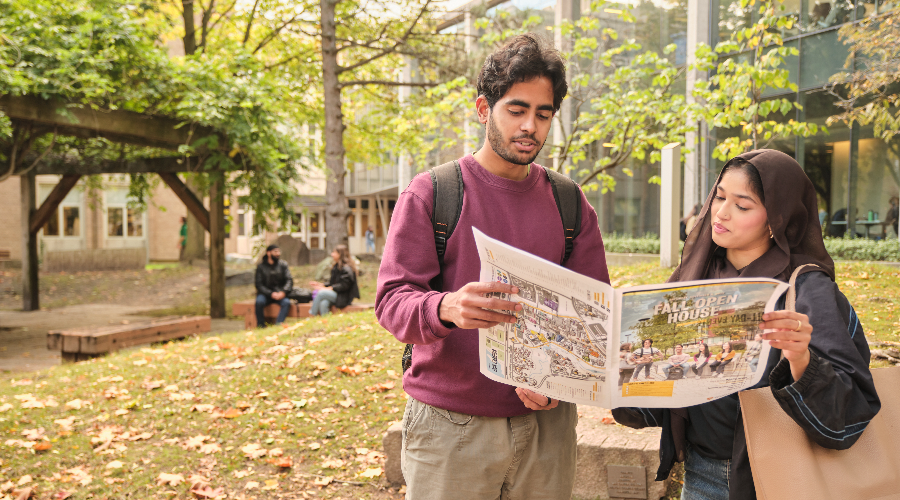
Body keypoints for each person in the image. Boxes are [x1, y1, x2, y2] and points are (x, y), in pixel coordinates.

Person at [375, 34, 610, 500]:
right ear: (484, 109)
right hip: (450, 427)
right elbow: (391, 302)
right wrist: (446, 307)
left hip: (547, 425)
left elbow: (594, 318)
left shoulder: (570, 203)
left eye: (543, 115)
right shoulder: (433, 193)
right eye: (516, 110)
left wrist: (558, 386)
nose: (530, 126)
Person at [612, 149, 880, 500]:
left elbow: (851, 408)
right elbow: (660, 396)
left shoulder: (808, 290)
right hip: (701, 473)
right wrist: (612, 369)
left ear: (777, 219)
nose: (720, 213)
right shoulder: (696, 279)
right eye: (719, 197)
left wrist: (800, 360)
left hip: (781, 478)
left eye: (742, 205)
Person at [309, 245, 360, 316]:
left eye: (334, 252)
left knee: (321, 293)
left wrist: (328, 289)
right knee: (324, 303)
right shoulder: (336, 267)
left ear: (340, 254)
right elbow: (333, 283)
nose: (332, 254)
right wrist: (321, 285)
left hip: (343, 297)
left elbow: (344, 285)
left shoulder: (347, 269)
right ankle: (325, 322)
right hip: (336, 294)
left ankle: (312, 314)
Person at [254, 244, 293, 327]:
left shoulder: (283, 265)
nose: (278, 253)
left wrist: (283, 292)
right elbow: (259, 284)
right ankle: (261, 326)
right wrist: (270, 293)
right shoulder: (261, 267)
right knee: (259, 302)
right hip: (265, 294)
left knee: (286, 302)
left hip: (279, 293)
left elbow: (289, 280)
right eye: (275, 251)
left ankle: (278, 325)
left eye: (279, 251)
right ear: (268, 253)